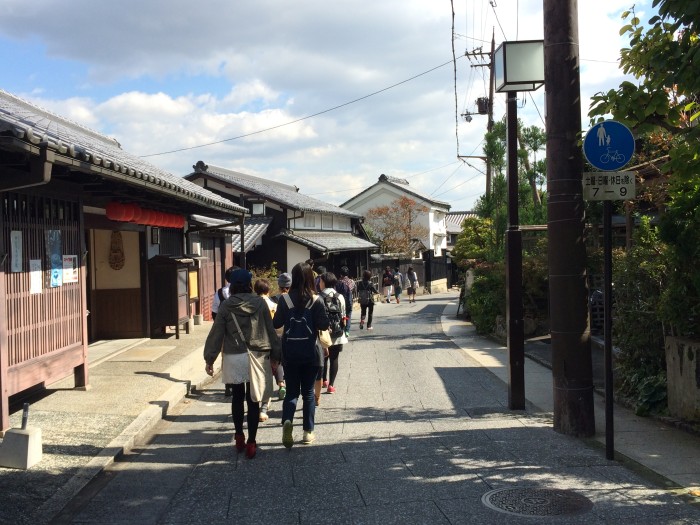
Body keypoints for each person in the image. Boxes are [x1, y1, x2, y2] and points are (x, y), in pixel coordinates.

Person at [203, 269, 281, 459]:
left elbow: (217, 333)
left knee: (237, 397)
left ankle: (239, 436)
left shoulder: (227, 306)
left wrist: (210, 358)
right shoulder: (260, 303)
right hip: (257, 355)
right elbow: (270, 331)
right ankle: (252, 443)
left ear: (233, 285)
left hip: (233, 356)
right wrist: (276, 356)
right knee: (254, 399)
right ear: (248, 284)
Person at [273, 262, 329, 448]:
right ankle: (308, 432)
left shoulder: (285, 300)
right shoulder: (316, 300)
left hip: (290, 353)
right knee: (308, 394)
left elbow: (276, 323)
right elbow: (323, 325)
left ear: (294, 278)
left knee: (291, 393)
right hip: (310, 353)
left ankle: (287, 420)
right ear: (310, 278)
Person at [254, 278, 286, 422]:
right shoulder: (274, 305)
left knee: (260, 375)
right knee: (275, 365)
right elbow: (279, 328)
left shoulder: (252, 306)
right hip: (273, 341)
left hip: (257, 344)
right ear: (268, 290)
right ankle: (281, 384)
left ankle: (259, 406)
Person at [318, 272, 348, 395]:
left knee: (322, 357)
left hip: (322, 333)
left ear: (324, 282)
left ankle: (323, 380)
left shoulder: (318, 297)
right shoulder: (339, 296)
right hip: (337, 332)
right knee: (334, 358)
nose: (319, 283)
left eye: (320, 281)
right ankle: (331, 385)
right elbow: (343, 314)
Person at [212, 266, 235, 396]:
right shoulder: (243, 293)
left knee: (225, 356)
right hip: (241, 330)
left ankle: (228, 385)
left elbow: (214, 311)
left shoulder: (220, 292)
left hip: (225, 330)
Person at [336, 266, 354, 336]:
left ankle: (341, 329)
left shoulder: (338, 282)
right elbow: (354, 290)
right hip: (349, 301)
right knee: (348, 315)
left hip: (340, 301)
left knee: (341, 315)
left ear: (341, 274)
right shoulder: (351, 281)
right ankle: (347, 330)